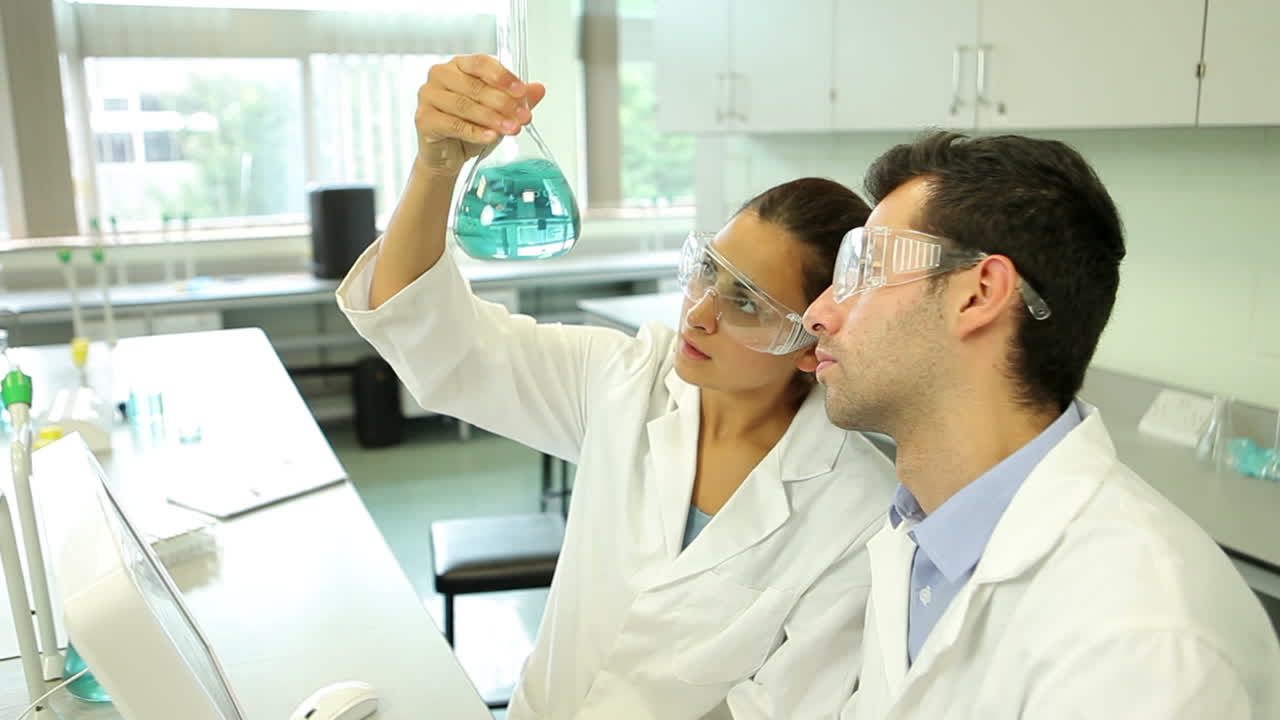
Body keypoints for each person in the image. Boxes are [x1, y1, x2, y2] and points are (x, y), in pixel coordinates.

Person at [336, 54, 896, 719]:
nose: (700, 313)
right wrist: (437, 165)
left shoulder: (860, 507)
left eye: (744, 302)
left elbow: (786, 709)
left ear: (812, 340)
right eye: (707, 271)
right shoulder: (626, 380)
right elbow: (431, 337)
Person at [801, 131, 1280, 718]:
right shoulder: (921, 528)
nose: (817, 313)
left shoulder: (1141, 637)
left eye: (864, 270)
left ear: (978, 294)